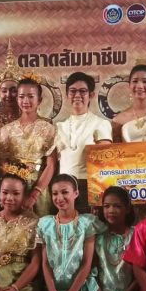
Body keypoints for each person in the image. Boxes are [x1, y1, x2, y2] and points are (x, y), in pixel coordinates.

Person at [35, 174, 104, 291]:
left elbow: (87, 264)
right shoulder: (45, 224)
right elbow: (45, 264)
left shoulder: (87, 223)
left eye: (64, 192)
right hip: (53, 290)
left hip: (77, 290)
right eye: (55, 193)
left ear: (76, 193)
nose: (59, 198)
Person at [0, 75, 57, 216]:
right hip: (12, 191)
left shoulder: (48, 128)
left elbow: (51, 165)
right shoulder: (6, 130)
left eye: (31, 96)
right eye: (21, 96)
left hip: (39, 189)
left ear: (39, 100)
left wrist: (35, 194)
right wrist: (11, 184)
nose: (26, 101)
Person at [84, 186, 136, 291]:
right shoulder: (97, 236)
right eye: (106, 206)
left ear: (127, 209)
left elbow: (140, 276)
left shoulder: (136, 235)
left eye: (117, 206)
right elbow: (90, 272)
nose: (111, 210)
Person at [55, 72, 113, 213]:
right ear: (67, 95)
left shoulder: (100, 124)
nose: (77, 95)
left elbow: (104, 165)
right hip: (62, 189)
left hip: (88, 187)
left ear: (91, 95)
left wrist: (98, 197)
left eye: (82, 91)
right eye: (72, 91)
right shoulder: (59, 127)